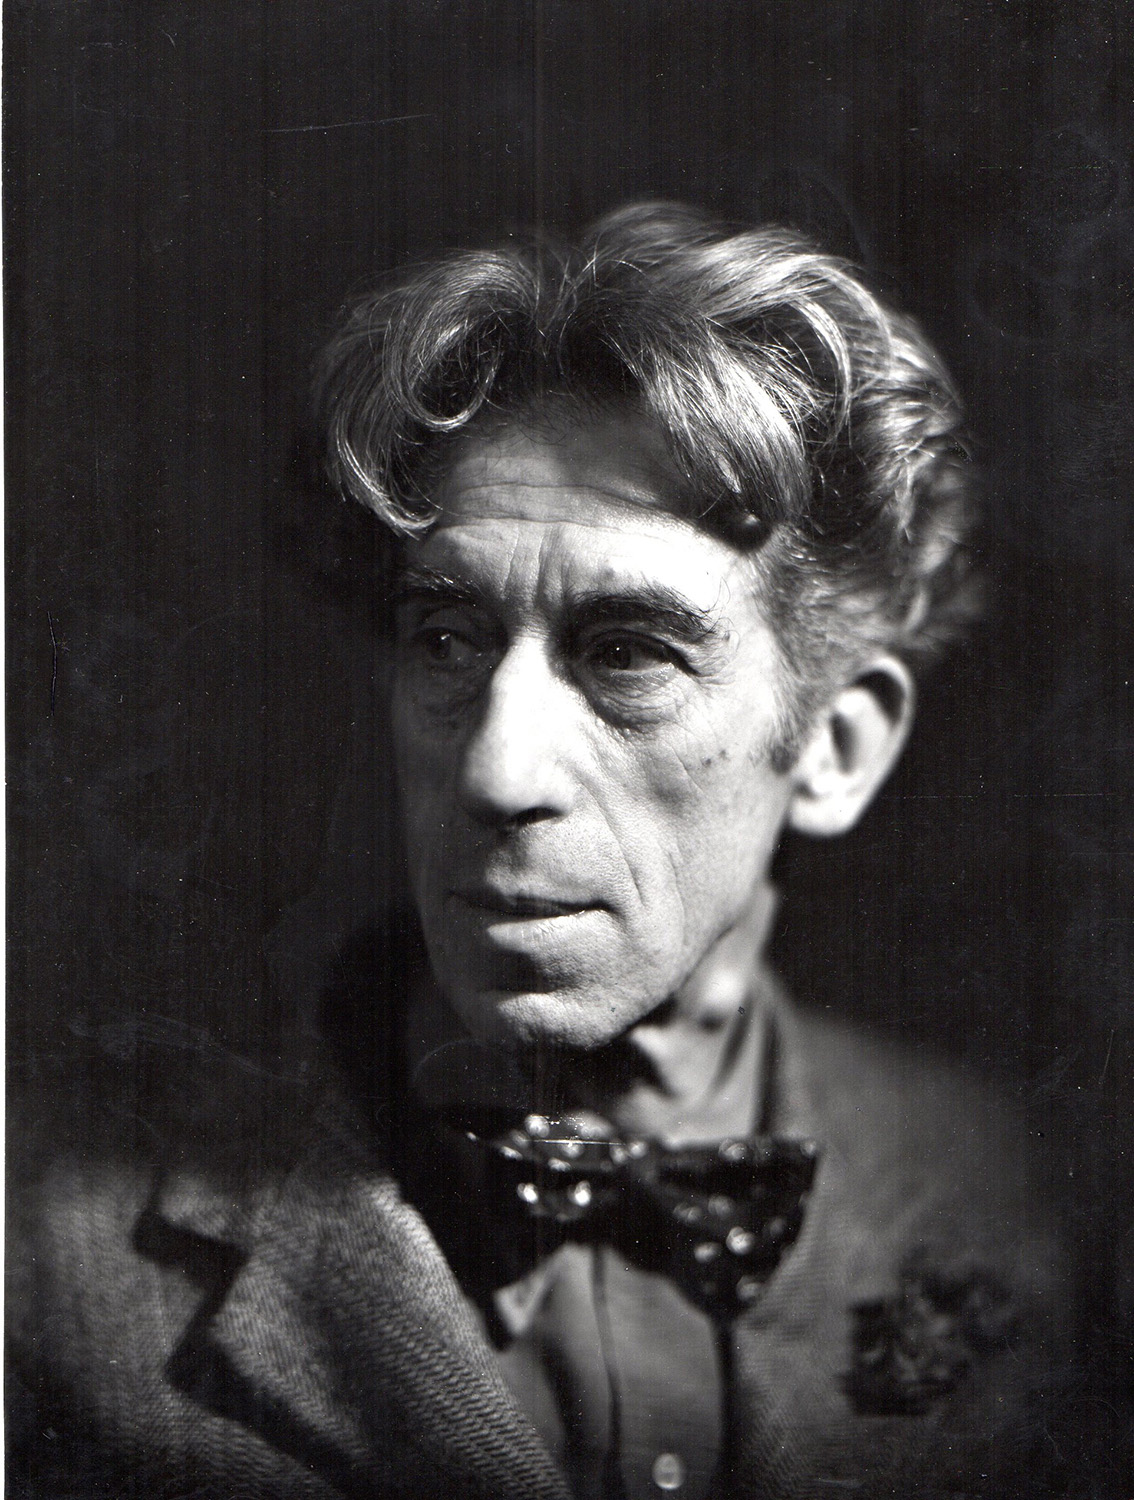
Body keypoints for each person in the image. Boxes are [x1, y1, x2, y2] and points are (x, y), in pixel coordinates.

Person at [7, 205, 1106, 1499]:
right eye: (448, 640)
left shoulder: (1007, 1188)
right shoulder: (47, 1251)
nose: (496, 770)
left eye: (627, 653)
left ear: (835, 748)